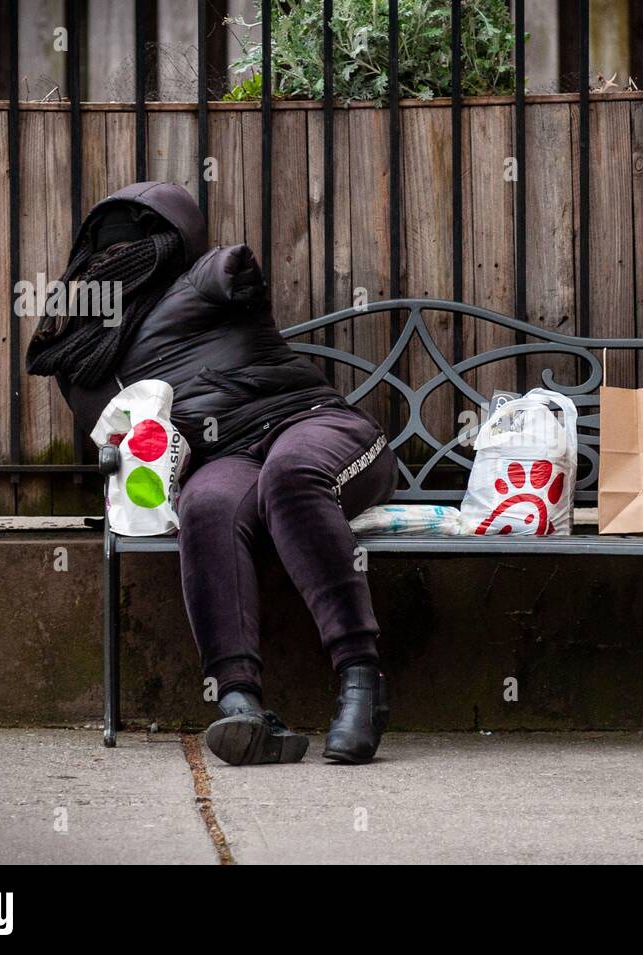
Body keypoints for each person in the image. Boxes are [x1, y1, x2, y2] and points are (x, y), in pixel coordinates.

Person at [27, 181, 395, 766]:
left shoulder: (203, 279)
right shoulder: (87, 356)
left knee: (289, 477)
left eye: (135, 244)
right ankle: (241, 705)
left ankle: (360, 679)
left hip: (313, 427)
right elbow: (117, 428)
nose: (115, 261)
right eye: (103, 253)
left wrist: (234, 272)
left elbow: (230, 269)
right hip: (227, 460)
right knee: (204, 505)